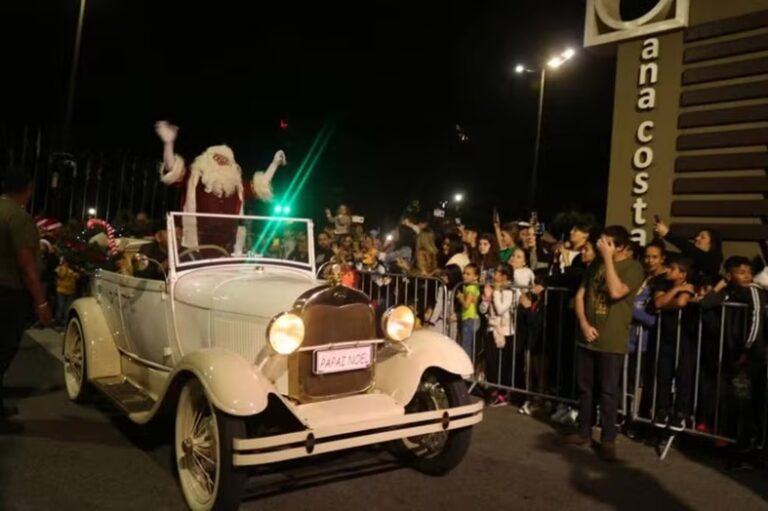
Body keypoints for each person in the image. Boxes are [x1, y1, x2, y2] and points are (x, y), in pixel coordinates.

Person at [560, 226, 644, 461]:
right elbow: (579, 296)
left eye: (608, 243)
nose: (601, 246)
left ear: (621, 247)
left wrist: (607, 259)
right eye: (601, 242)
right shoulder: (594, 264)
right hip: (586, 337)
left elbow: (617, 292)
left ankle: (608, 439)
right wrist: (584, 325)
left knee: (607, 391)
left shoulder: (633, 267)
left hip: (612, 340)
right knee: (585, 389)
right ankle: (584, 432)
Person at [155, 120, 287, 249]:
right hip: (195, 247)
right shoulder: (193, 178)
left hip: (228, 249)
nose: (221, 164)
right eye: (217, 159)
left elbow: (261, 185)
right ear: (206, 160)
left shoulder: (237, 186)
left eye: (225, 161)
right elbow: (172, 169)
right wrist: (168, 143)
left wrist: (274, 164)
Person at [0, 169, 53, 434]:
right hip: (8, 294)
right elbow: (27, 265)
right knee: (4, 349)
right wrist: (41, 303)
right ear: (28, 189)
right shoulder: (18, 217)